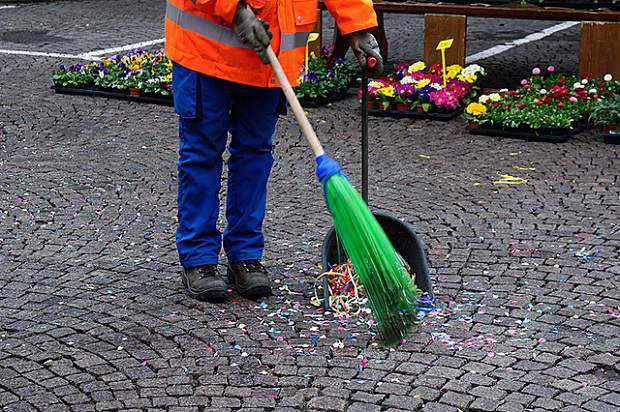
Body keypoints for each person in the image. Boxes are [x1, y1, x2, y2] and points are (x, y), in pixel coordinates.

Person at [164, 0, 383, 301]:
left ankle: (245, 255)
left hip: (268, 54)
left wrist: (357, 25)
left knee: (254, 155)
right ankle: (198, 259)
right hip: (207, 50)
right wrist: (234, 9)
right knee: (202, 154)